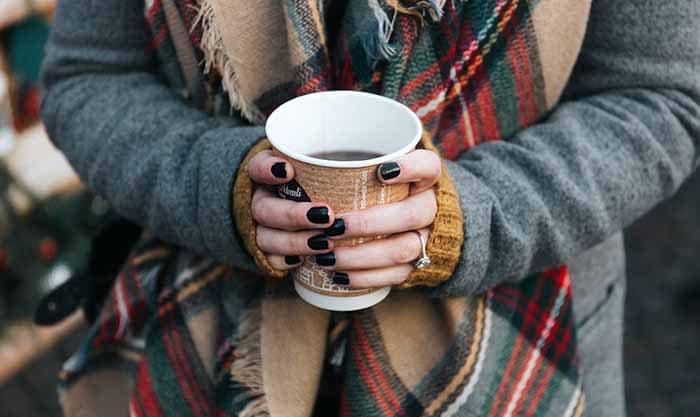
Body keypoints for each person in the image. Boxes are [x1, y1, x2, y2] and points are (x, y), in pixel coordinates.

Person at [40, 0, 699, 416]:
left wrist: (470, 219)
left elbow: (660, 98)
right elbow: (90, 76)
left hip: (513, 353)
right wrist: (220, 187)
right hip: (217, 349)